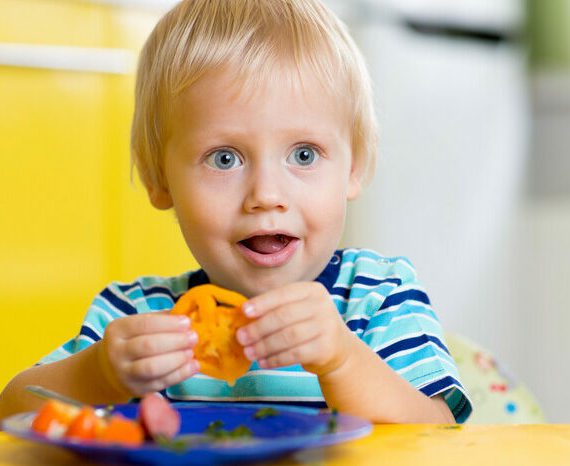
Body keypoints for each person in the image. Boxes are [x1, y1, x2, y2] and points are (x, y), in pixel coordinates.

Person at [0, 0, 471, 423]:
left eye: (303, 155)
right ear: (158, 179)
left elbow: (438, 434)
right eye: (224, 158)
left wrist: (341, 360)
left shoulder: (377, 296)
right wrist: (97, 373)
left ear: (355, 167)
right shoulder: (137, 316)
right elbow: (11, 413)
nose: (266, 195)